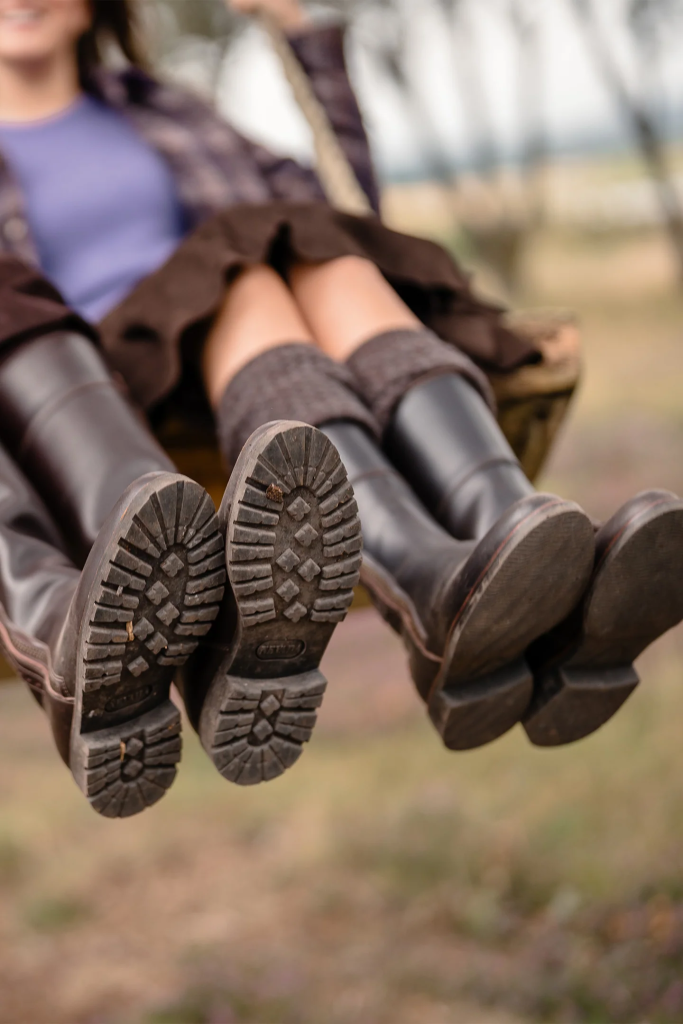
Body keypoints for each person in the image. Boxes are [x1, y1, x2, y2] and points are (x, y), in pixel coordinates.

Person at [0, 0, 680, 819]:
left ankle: (508, 543)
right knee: (244, 265)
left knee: (324, 246)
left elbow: (338, 203)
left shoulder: (160, 108)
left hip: (244, 334)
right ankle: (420, 572)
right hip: (109, 385)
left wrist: (303, 37)